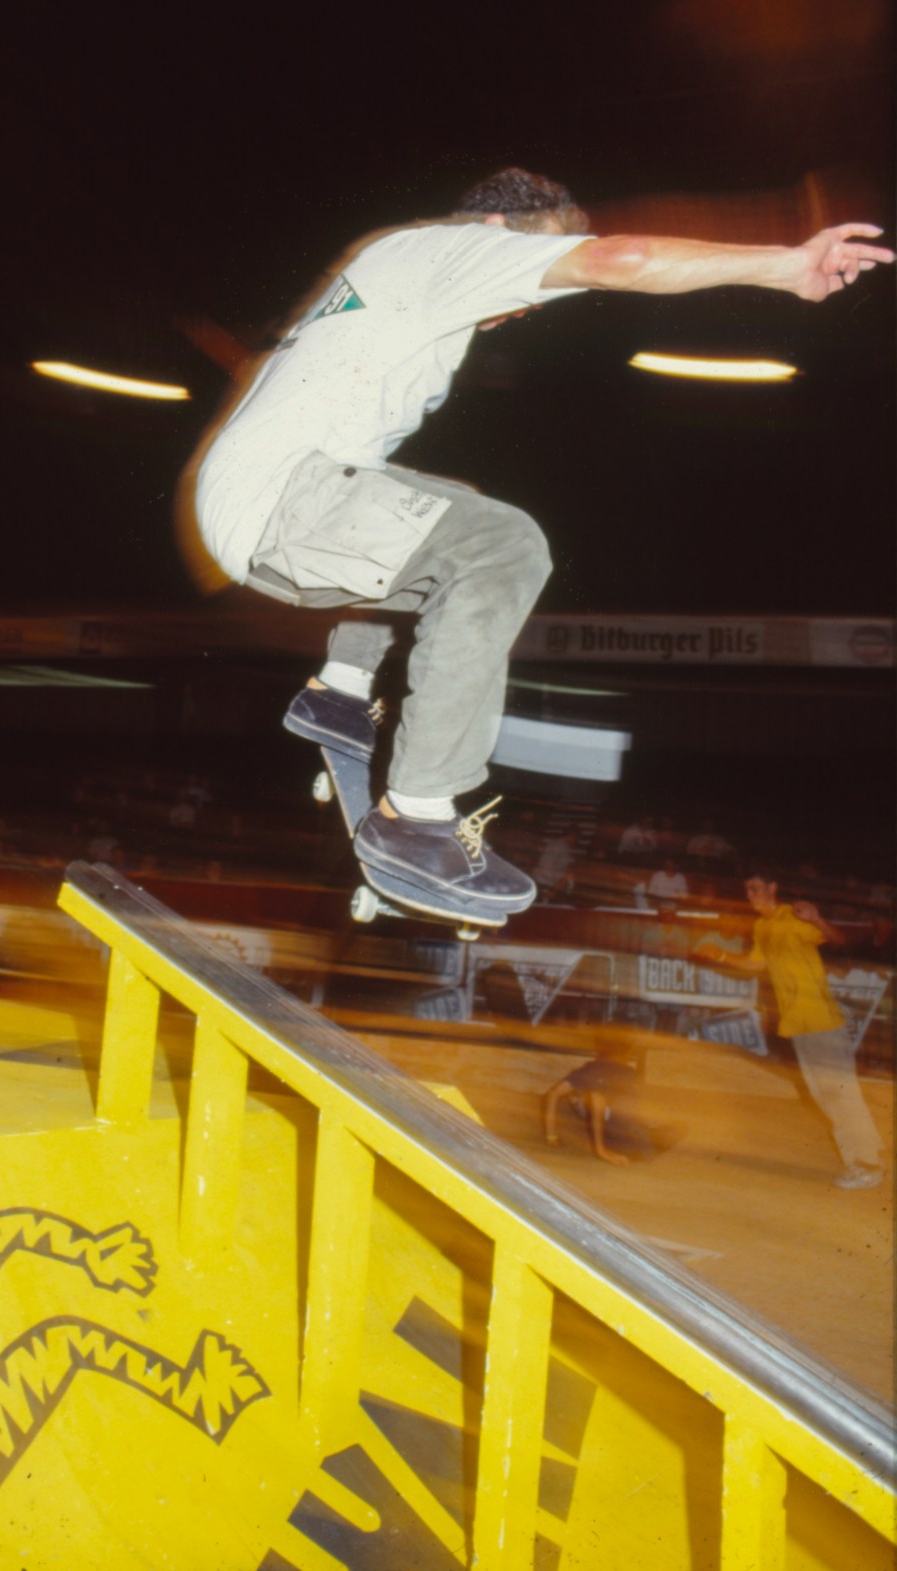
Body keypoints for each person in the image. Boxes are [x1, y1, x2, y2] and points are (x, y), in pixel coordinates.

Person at [186, 169, 893, 917]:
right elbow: (623, 260)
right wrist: (780, 264)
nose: (526, 305)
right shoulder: (455, 251)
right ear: (494, 229)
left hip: (277, 500)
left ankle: (342, 689)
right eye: (534, 272)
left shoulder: (402, 268)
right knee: (504, 546)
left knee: (453, 517)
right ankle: (416, 818)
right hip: (286, 504)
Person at [696, 869, 885, 1189]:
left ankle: (866, 1164)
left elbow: (837, 940)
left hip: (820, 1019)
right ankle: (869, 1153)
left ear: (772, 888)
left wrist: (816, 919)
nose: (750, 895)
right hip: (797, 1022)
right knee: (827, 1095)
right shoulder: (762, 926)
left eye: (755, 889)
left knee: (839, 1094)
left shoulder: (794, 917)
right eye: (747, 890)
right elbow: (757, 964)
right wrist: (723, 955)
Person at [543, 1043, 684, 1166]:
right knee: (679, 1128)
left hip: (598, 1134)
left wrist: (552, 1137)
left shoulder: (590, 1068)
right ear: (630, 1050)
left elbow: (553, 1094)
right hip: (625, 1145)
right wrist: (601, 1151)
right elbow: (598, 1101)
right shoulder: (628, 1074)